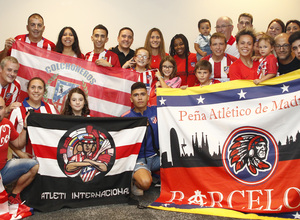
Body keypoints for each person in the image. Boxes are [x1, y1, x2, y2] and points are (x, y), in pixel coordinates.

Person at [122, 82, 159, 196]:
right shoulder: (126, 118)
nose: (140, 98)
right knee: (145, 183)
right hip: (139, 159)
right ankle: (135, 179)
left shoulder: (157, 111)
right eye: (136, 95)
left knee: (182, 162)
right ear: (131, 99)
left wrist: (182, 91)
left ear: (148, 96)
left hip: (158, 157)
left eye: (142, 94)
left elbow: (177, 106)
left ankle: (154, 175)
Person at [0, 96, 38, 205]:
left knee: (34, 165)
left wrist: (25, 126)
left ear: (5, 109)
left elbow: (18, 143)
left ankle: (13, 195)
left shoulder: (7, 123)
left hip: (3, 171)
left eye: (0, 108)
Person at [9, 77, 57, 157]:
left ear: (44, 91)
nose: (36, 91)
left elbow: (55, 134)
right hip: (21, 159)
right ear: (27, 90)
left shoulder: (51, 109)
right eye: (33, 87)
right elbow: (9, 137)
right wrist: (20, 154)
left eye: (40, 88)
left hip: (44, 160)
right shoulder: (17, 110)